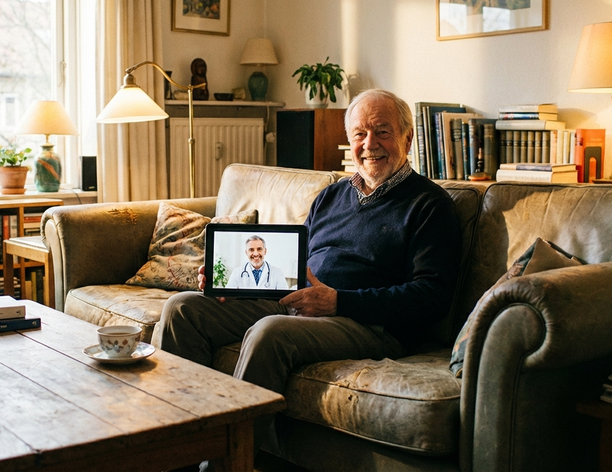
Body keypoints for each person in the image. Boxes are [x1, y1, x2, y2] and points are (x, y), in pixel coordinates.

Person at [154, 88, 461, 451]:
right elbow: (292, 266)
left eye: (382, 131)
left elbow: (432, 297)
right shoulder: (332, 195)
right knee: (183, 309)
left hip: (371, 324)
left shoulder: (430, 205)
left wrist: (337, 301)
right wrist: (235, 282)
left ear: (407, 138)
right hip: (301, 302)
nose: (369, 144)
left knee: (271, 332)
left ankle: (234, 459)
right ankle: (176, 445)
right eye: (360, 134)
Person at [225, 235, 290, 290]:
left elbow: (284, 298)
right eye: (251, 250)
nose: (255, 254)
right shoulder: (237, 272)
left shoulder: (277, 273)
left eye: (259, 249)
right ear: (246, 253)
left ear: (265, 251)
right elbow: (228, 295)